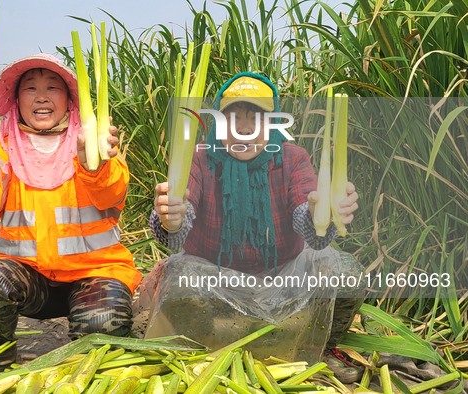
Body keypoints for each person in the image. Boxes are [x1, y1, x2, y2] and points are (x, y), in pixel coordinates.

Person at [146, 72, 361, 358]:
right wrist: (172, 220)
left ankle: (315, 345)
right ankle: (237, 339)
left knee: (346, 273)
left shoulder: (293, 158)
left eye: (257, 119)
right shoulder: (199, 159)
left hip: (281, 277)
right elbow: (180, 221)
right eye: (233, 119)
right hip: (217, 282)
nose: (245, 129)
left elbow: (308, 221)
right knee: (178, 278)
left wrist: (322, 213)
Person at [0, 54, 141, 364]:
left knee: (101, 326)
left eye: (53, 87)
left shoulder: (95, 146)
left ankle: (85, 360)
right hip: (31, 282)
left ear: (69, 100)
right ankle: (1, 360)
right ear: (15, 101)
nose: (41, 97)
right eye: (29, 89)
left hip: (95, 276)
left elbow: (112, 194)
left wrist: (95, 166)